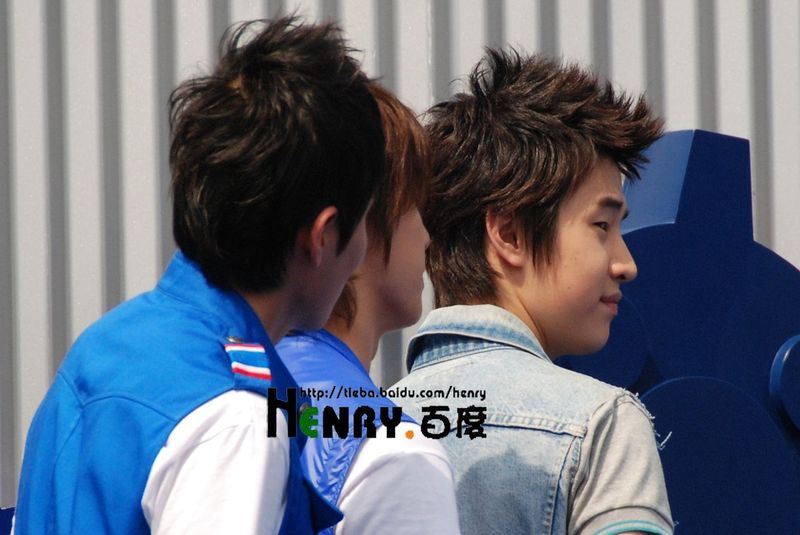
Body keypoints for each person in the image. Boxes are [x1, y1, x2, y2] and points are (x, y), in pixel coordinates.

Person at [13, 17, 384, 535]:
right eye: (366, 219)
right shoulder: (235, 423)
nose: (364, 249)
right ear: (322, 236)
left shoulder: (110, 343)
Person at [391, 50, 674, 534]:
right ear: (511, 235)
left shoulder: (355, 421)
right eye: (602, 226)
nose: (626, 265)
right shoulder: (600, 424)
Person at [276, 83, 460, 534]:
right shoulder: (396, 456)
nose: (427, 237)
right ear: (361, 222)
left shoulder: (227, 385)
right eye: (415, 207)